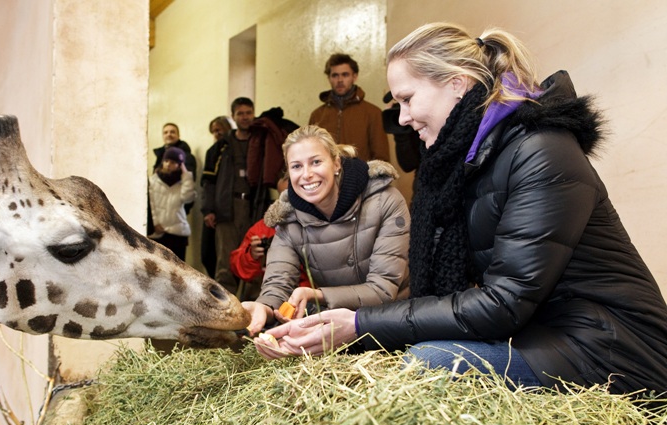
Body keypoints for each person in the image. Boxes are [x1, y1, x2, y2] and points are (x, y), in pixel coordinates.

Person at [253, 23, 667, 398]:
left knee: (431, 363)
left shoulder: (541, 152)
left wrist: (358, 326)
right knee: (417, 354)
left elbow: (505, 303)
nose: (404, 117)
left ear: (457, 82)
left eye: (408, 99)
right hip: (545, 331)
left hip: (614, 348)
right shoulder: (467, 163)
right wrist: (345, 326)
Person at [242, 125, 410, 335]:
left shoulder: (384, 200)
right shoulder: (288, 219)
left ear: (336, 163)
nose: (307, 175)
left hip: (393, 322)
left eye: (316, 162)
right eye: (296, 166)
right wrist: (264, 306)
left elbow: (383, 289)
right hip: (335, 325)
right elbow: (278, 280)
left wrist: (318, 295)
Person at [202, 97, 256, 293]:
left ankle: (253, 307)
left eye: (248, 113)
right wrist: (208, 209)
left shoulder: (259, 143)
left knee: (253, 259)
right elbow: (208, 182)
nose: (245, 117)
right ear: (233, 117)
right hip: (227, 208)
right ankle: (225, 307)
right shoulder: (221, 147)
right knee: (225, 262)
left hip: (254, 208)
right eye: (240, 113)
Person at [229, 174, 310, 296]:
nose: (288, 203)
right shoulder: (263, 227)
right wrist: (252, 255)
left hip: (308, 297)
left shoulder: (317, 224)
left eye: (292, 196)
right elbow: (236, 266)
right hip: (270, 294)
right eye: (283, 197)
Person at [308, 53, 390, 163]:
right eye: (335, 75)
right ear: (329, 78)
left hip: (361, 178)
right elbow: (309, 155)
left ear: (354, 77)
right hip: (326, 178)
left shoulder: (373, 113)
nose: (340, 80)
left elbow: (382, 160)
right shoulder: (317, 115)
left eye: (345, 75)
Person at [200, 116, 233, 278]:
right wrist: (208, 210)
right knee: (208, 254)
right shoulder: (213, 152)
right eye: (214, 131)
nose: (217, 133)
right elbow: (208, 183)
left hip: (232, 210)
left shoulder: (238, 149)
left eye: (219, 129)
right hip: (216, 210)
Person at [148, 146, 195, 261]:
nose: (168, 164)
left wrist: (186, 175)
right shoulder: (153, 181)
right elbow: (151, 204)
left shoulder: (182, 183)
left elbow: (188, 198)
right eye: (166, 160)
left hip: (178, 234)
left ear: (180, 165)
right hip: (159, 233)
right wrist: (154, 224)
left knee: (178, 271)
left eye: (173, 162)